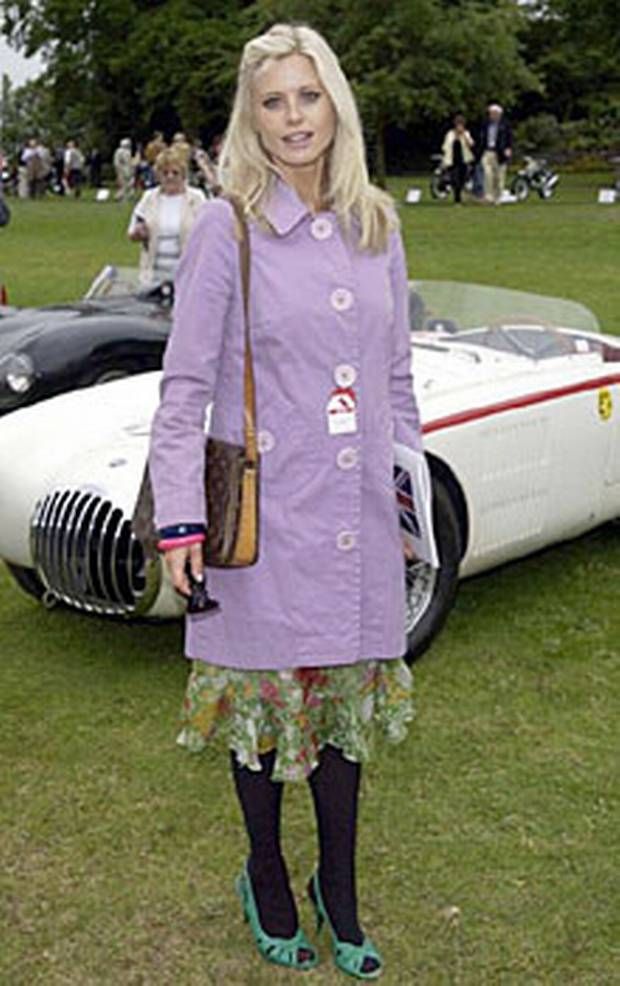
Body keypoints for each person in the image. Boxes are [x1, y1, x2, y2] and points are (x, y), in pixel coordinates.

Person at [148, 22, 424, 979]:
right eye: (274, 101)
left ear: (335, 104)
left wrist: (408, 494)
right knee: (264, 717)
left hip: (355, 515)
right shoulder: (228, 226)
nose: (293, 118)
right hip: (265, 522)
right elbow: (184, 388)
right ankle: (266, 874)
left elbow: (397, 378)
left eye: (308, 97)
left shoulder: (377, 222)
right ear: (251, 115)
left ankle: (337, 893)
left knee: (344, 718)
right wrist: (180, 517)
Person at [127, 147, 205, 285]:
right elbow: (132, 233)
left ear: (183, 175)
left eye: (175, 173)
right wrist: (139, 232)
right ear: (158, 175)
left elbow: (209, 233)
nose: (170, 177)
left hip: (189, 276)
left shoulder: (197, 198)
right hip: (153, 275)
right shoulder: (149, 198)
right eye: (165, 173)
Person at [478, 102, 513, 204]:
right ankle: (488, 196)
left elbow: (509, 138)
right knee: (487, 174)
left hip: (500, 153)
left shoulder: (505, 125)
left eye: (494, 113)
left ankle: (498, 197)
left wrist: (508, 148)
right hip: (487, 151)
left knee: (499, 176)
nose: (492, 115)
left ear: (499, 114)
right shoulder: (485, 124)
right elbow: (482, 137)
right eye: (490, 113)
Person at [441, 113, 475, 204]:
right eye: (458, 125)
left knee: (462, 179)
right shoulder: (450, 134)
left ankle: (460, 195)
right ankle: (457, 199)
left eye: (461, 125)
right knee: (455, 179)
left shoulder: (466, 134)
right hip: (452, 161)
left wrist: (463, 136)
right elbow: (445, 147)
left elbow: (471, 144)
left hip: (463, 160)